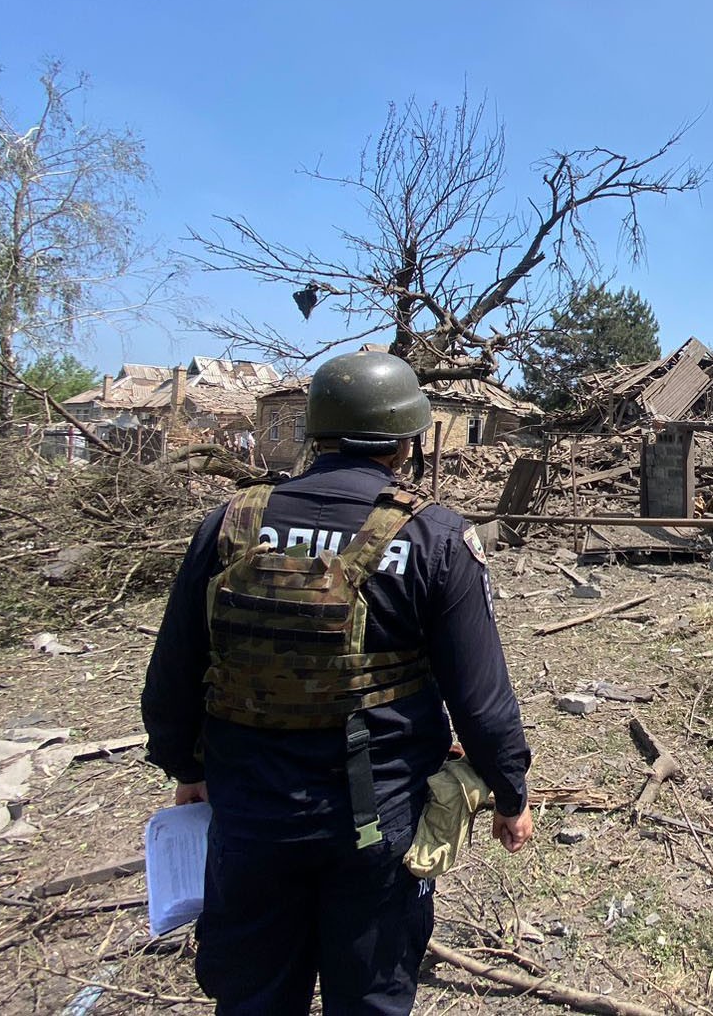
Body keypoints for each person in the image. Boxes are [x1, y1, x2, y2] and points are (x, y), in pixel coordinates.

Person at [142, 350, 533, 1015]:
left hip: (249, 815)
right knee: (372, 999)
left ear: (315, 432)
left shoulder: (231, 523)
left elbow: (172, 674)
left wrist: (185, 763)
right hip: (374, 824)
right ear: (407, 441)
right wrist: (510, 791)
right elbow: (481, 697)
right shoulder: (434, 535)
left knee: (254, 998)